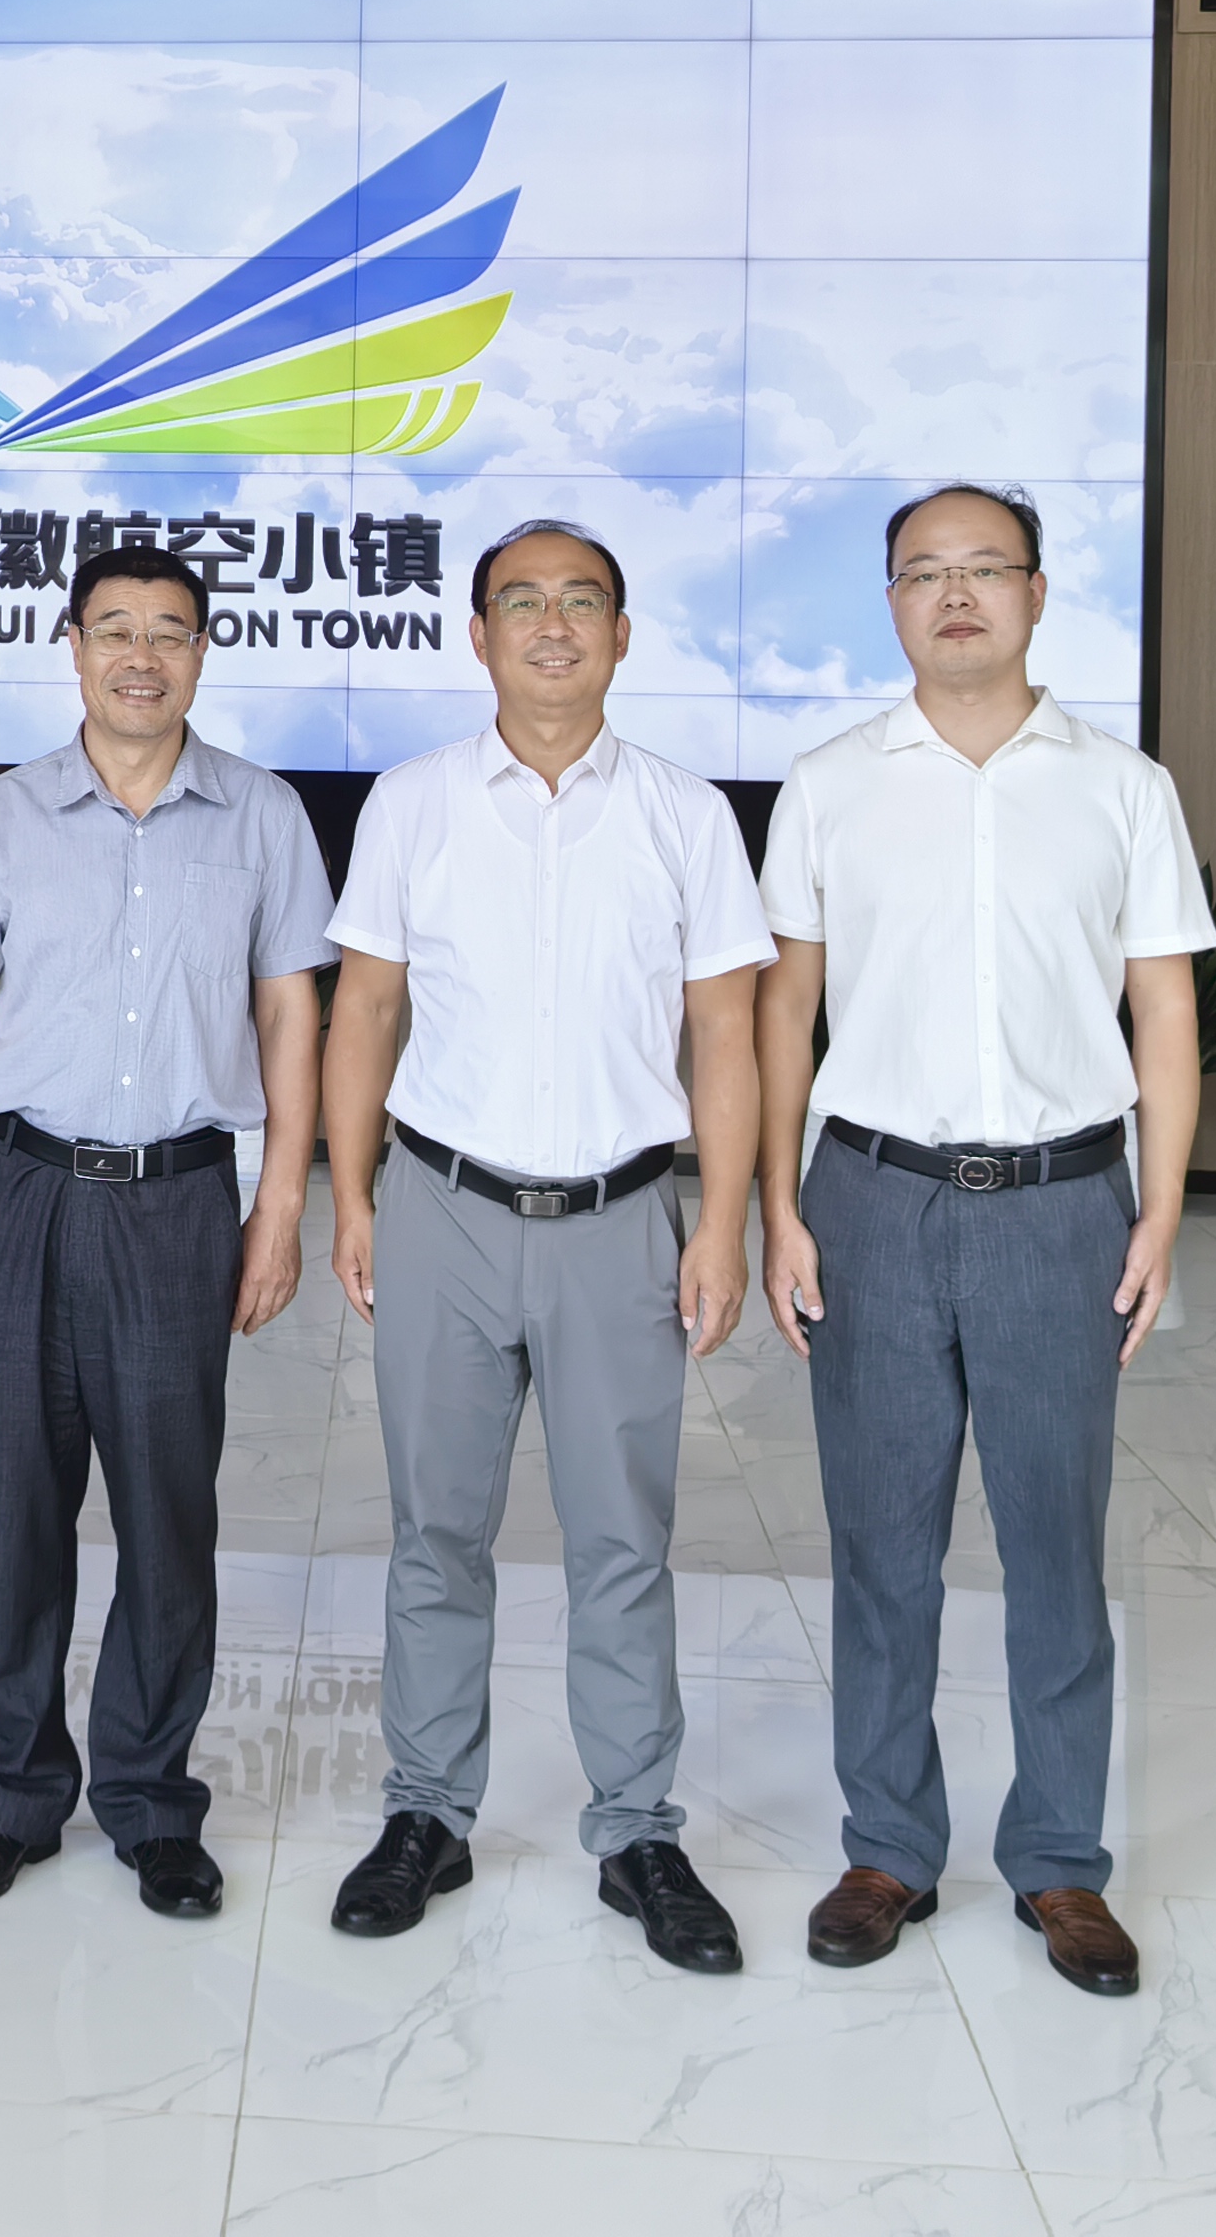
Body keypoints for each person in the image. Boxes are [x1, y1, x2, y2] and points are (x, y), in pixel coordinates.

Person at [754, 483, 1211, 1998]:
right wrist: (776, 1203)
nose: (955, 595)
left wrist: (1160, 1208)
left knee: (1054, 1547)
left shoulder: (1122, 787)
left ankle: (1062, 1861)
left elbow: (1163, 1008)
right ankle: (887, 1846)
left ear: (1036, 593)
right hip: (871, 1201)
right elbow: (785, 1007)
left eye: (984, 569)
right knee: (880, 1544)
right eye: (923, 573)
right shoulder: (828, 783)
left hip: (1062, 1205)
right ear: (890, 601)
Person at [318, 519, 769, 1976]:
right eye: (522, 601)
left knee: (622, 1540)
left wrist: (724, 1223)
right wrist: (351, 1198)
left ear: (623, 636)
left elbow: (723, 1032)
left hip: (621, 1222)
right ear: (478, 635)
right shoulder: (414, 802)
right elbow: (366, 1007)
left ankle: (637, 1830)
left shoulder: (687, 814)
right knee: (434, 1531)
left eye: (583, 601)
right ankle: (426, 1813)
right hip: (442, 1209)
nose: (553, 624)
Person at [0, 541, 335, 1921]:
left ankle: (150, 1802)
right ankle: (10, 1797)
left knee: (166, 1515)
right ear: (73, 646)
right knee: (18, 1506)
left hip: (181, 1203)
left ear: (202, 653)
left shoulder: (263, 816)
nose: (141, 656)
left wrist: (279, 1205)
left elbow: (291, 1016)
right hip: (20, 1192)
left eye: (169, 631)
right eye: (114, 629)